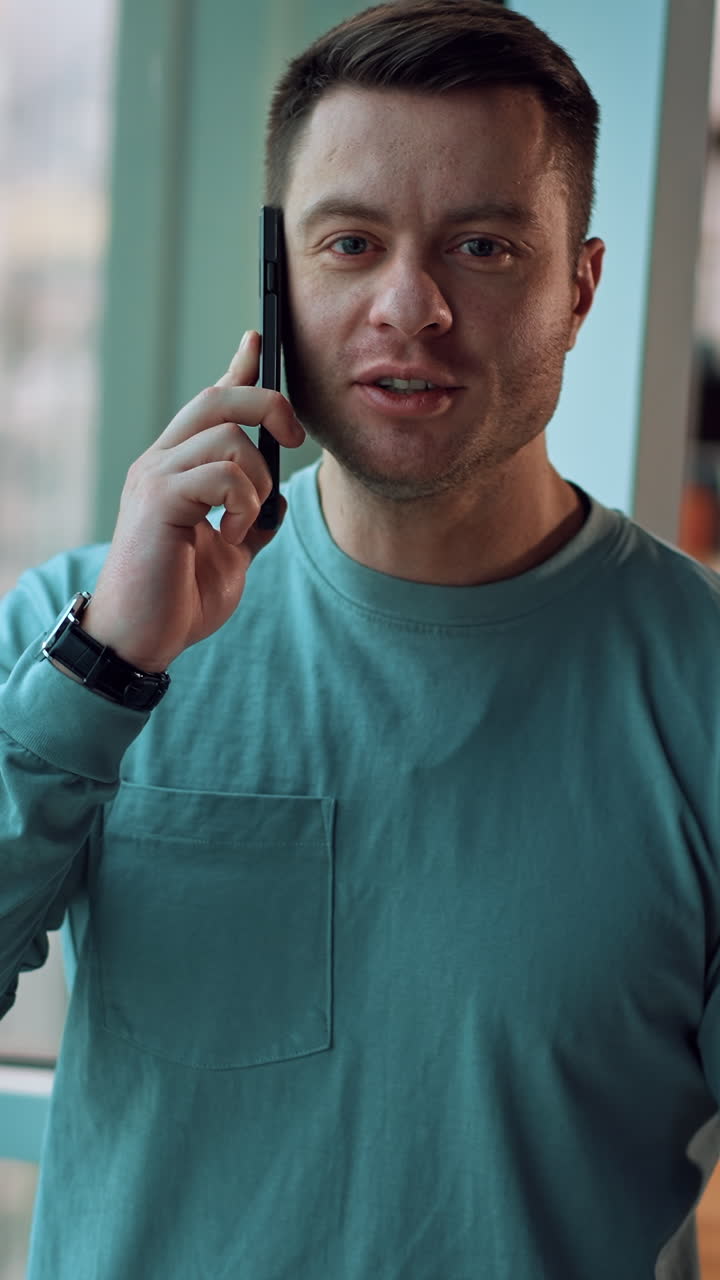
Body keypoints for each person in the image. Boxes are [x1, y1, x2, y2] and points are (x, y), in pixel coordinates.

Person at [1, 1, 719, 1276]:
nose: (410, 305)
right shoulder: (77, 630)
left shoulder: (700, 682)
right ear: (280, 276)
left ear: (581, 287)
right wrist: (106, 669)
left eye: (484, 246)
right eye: (350, 242)